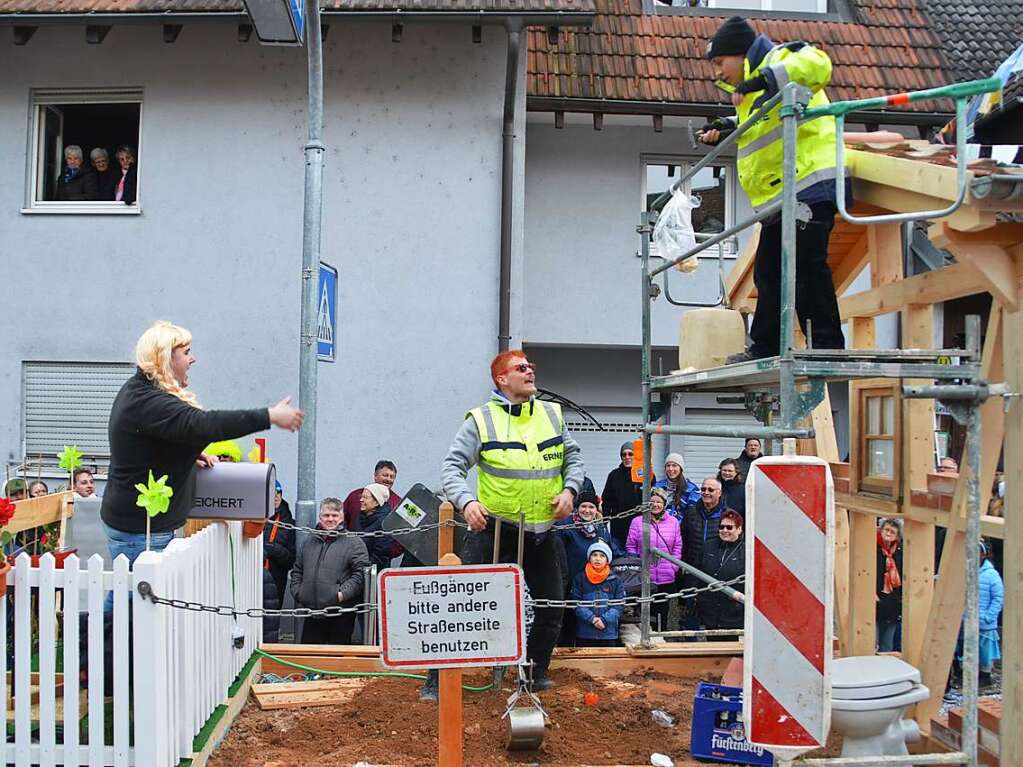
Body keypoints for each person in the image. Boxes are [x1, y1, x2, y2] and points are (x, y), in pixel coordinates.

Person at [428, 349, 583, 700]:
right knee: (460, 606)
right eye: (521, 368)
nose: (531, 371)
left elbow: (573, 458)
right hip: (493, 530)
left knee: (551, 606)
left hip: (541, 532)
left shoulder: (552, 415)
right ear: (502, 379)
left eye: (530, 366)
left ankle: (535, 673)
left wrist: (571, 490)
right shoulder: (480, 420)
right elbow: (452, 468)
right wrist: (466, 503)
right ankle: (436, 681)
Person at [698, 16, 845, 362]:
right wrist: (728, 125)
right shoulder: (752, 94)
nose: (717, 72)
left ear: (741, 53)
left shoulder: (780, 60)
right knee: (769, 273)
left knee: (807, 267)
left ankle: (826, 347)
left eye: (720, 62)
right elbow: (767, 121)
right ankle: (766, 347)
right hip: (781, 196)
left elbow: (818, 64)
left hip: (807, 184)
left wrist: (765, 79)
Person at [100, 320, 303, 567]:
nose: (192, 359)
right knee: (136, 601)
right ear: (165, 359)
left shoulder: (141, 393)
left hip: (141, 524)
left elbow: (155, 443)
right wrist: (269, 416)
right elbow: (204, 425)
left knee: (130, 597)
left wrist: (188, 453)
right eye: (185, 353)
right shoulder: (149, 402)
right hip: (141, 530)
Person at [290, 498, 369, 645]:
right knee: (310, 658)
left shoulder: (354, 542)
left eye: (334, 515)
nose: (330, 519)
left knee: (336, 660)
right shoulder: (309, 541)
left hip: (341, 612)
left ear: (342, 517)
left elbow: (360, 575)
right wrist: (298, 591)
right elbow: (298, 570)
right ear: (320, 517)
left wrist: (341, 594)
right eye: (326, 515)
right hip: (312, 611)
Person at [626, 487, 681, 633]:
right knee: (643, 611)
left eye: (659, 502)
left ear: (664, 504)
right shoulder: (637, 522)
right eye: (652, 501)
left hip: (666, 577)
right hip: (644, 577)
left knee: (662, 612)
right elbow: (631, 546)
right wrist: (638, 569)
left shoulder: (673, 522)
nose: (655, 505)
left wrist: (673, 567)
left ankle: (660, 638)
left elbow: (677, 547)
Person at [696, 509, 745, 639]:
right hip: (710, 611)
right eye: (721, 527)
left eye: (729, 527)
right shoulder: (708, 546)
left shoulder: (746, 550)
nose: (724, 530)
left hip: (735, 613)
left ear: (739, 529)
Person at [555, 490, 621, 579]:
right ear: (577, 508)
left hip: (596, 580)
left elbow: (612, 549)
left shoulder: (600, 527)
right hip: (573, 580)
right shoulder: (565, 526)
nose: (587, 510)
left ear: (596, 509)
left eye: (591, 507)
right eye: (583, 506)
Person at [571, 540, 625, 647]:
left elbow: (619, 605)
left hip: (608, 633)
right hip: (585, 633)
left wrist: (604, 620)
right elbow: (576, 603)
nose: (598, 558)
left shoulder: (615, 580)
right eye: (594, 555)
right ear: (589, 558)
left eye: (602, 556)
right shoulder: (580, 579)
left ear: (607, 560)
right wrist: (592, 619)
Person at [682, 477, 729, 585]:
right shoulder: (691, 512)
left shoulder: (727, 515)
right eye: (703, 489)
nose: (706, 492)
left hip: (716, 568)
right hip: (692, 566)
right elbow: (683, 538)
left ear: (719, 493)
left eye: (710, 490)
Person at [602, 442, 648, 549]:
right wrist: (603, 523)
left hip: (639, 530)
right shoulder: (614, 475)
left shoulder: (645, 475)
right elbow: (607, 501)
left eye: (630, 454)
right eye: (624, 454)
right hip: (618, 531)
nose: (627, 457)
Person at [263, 480, 296, 609]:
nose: (276, 497)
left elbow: (292, 560)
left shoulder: (289, 523)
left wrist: (273, 549)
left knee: (271, 618)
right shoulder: (253, 518)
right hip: (250, 574)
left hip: (275, 579)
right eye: (272, 493)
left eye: (279, 493)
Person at [342, 460, 400, 532]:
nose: (388, 479)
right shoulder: (354, 496)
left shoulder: (397, 502)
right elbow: (341, 519)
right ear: (375, 476)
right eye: (385, 475)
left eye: (392, 477)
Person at [977, 540, 1004, 688]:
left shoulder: (991, 574)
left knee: (986, 650)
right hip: (967, 620)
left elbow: (998, 598)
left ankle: (985, 676)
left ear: (983, 555)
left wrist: (989, 617)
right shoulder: (965, 570)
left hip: (985, 621)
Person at [357, 482, 398, 572]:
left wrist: (363, 569)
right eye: (361, 496)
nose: (361, 500)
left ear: (376, 502)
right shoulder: (362, 517)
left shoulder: (384, 524)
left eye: (365, 497)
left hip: (373, 574)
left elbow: (380, 555)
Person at [875, 518, 903, 653]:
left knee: (887, 645)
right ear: (880, 530)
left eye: (892, 532)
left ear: (897, 536)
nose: (888, 533)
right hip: (875, 600)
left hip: (892, 603)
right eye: (886, 530)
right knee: (872, 642)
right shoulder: (873, 548)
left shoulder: (899, 552)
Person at [654, 453, 700, 518]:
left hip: (682, 526)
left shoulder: (692, 489)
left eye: (674, 465)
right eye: (668, 465)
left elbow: (694, 514)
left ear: (681, 468)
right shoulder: (658, 486)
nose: (670, 469)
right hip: (660, 526)